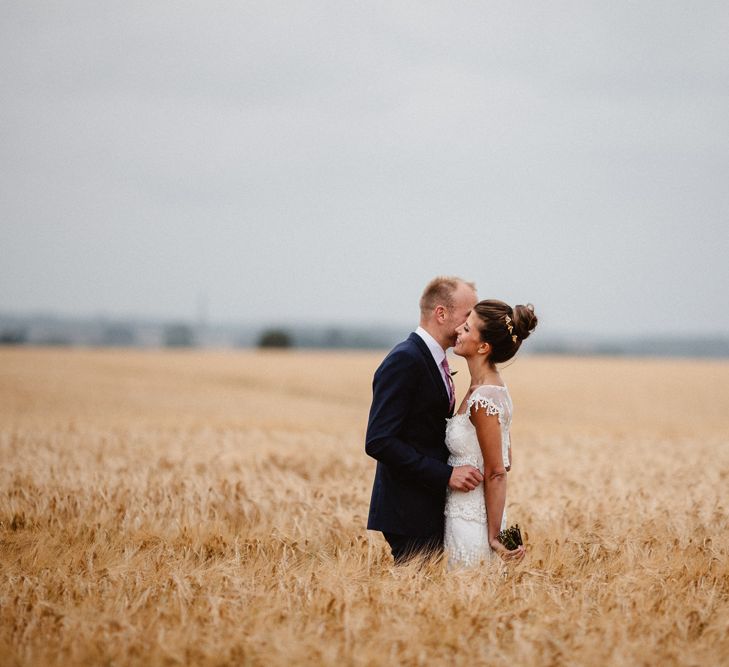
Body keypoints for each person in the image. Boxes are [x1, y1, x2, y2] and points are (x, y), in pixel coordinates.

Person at [365, 276, 482, 564]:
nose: (472, 325)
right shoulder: (406, 359)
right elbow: (379, 440)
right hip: (410, 510)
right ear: (441, 313)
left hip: (435, 506)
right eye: (468, 316)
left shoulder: (439, 362)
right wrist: (446, 475)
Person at [444, 299, 538, 568]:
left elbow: (498, 471)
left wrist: (497, 537)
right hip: (466, 514)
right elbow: (505, 459)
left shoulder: (484, 397)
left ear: (484, 347)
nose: (458, 331)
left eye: (467, 328)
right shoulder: (489, 388)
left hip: (473, 525)